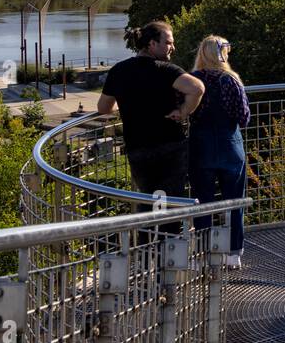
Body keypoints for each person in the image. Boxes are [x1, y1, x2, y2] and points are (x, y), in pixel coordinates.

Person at [97, 21, 205, 212]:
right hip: (171, 146)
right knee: (171, 202)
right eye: (169, 42)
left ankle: (148, 239)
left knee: (146, 199)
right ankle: (169, 239)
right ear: (152, 44)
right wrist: (183, 111)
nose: (173, 47)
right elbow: (197, 88)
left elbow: (103, 108)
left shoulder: (119, 71)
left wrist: (126, 106)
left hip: (137, 147)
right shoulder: (166, 70)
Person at [188, 35, 251, 269]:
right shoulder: (231, 81)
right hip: (230, 146)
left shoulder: (192, 80)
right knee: (235, 201)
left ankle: (204, 254)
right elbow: (243, 118)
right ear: (222, 53)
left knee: (202, 202)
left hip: (200, 147)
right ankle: (233, 253)